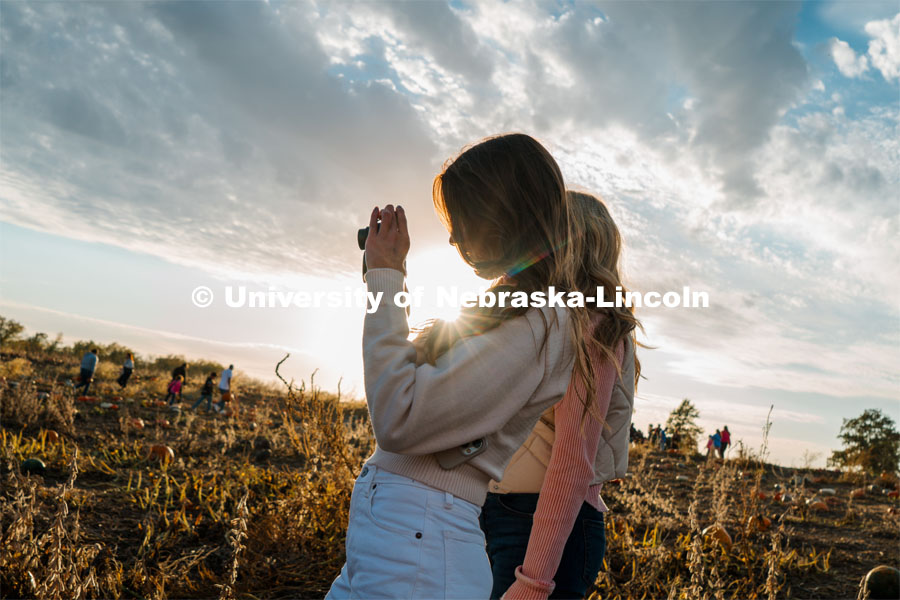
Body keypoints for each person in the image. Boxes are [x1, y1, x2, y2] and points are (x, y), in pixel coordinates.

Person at [326, 134, 601, 599]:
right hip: (397, 539)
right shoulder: (512, 311)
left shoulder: (541, 322)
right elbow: (407, 385)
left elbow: (398, 419)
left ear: (502, 214)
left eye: (463, 219)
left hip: (419, 545)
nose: (453, 237)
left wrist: (386, 283)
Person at [479, 190, 640, 600]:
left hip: (543, 531)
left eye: (545, 233)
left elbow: (572, 460)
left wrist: (534, 582)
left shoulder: (594, 328)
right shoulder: (545, 318)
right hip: (502, 513)